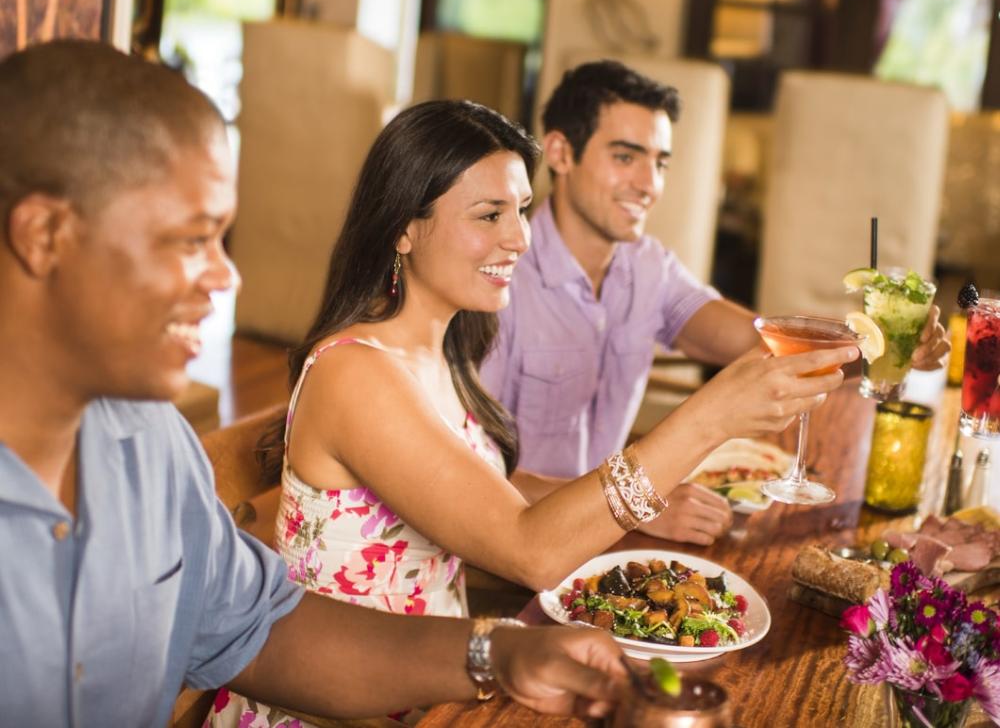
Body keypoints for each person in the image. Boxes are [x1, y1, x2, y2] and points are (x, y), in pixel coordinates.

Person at [0, 40, 633, 728]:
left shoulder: (152, 444)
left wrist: (497, 652)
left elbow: (260, 629)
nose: (227, 277)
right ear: (46, 235)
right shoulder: (355, 369)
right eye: (191, 240)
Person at [213, 95, 859, 726]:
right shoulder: (355, 372)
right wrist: (708, 419)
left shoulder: (443, 353)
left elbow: (490, 505)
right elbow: (529, 551)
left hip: (440, 692)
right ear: (404, 229)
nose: (520, 238)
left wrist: (861, 350)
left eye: (521, 210)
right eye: (489, 215)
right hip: (342, 708)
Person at [479, 60, 951, 543]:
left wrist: (882, 346)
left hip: (604, 535)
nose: (649, 185)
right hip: (514, 553)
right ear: (560, 152)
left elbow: (763, 341)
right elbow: (477, 480)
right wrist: (633, 505)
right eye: (626, 157)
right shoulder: (497, 280)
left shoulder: (648, 267)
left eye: (660, 162)